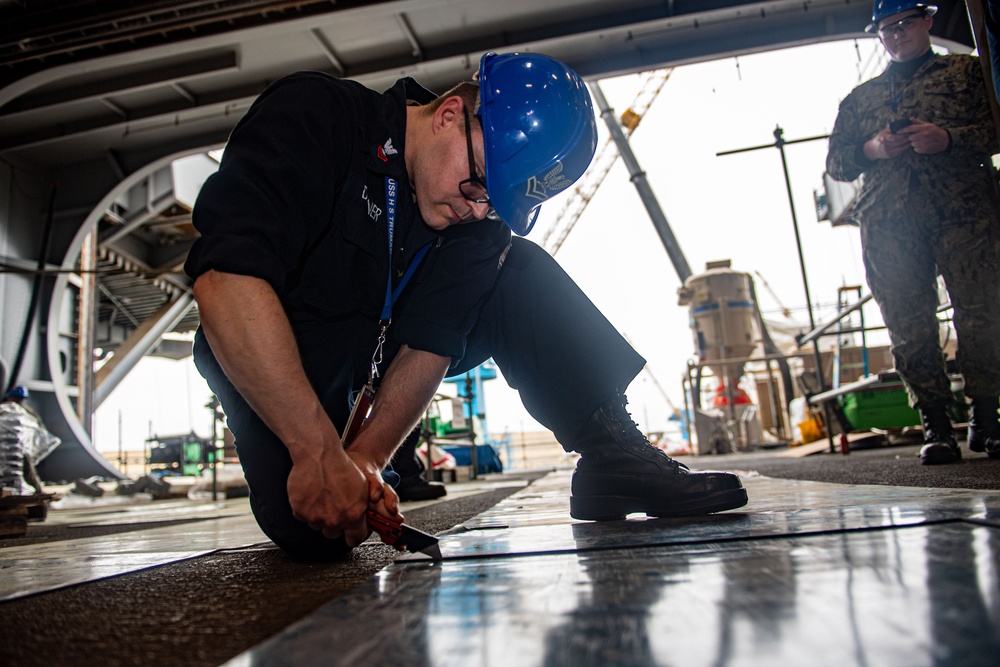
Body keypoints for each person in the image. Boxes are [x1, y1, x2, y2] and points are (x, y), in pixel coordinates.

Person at [185, 52, 748, 561]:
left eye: (496, 204)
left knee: (517, 270)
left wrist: (365, 460)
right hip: (277, 359)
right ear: (451, 113)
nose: (478, 210)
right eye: (479, 185)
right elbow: (225, 278)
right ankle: (348, 451)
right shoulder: (317, 117)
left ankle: (612, 455)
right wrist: (313, 449)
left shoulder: (478, 223)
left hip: (370, 368)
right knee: (316, 532)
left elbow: (433, 340)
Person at [826, 1, 1000, 465]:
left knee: (982, 312)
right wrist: (873, 147)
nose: (897, 34)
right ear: (879, 37)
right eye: (887, 29)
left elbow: (995, 129)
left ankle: (988, 418)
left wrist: (948, 139)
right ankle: (937, 426)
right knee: (909, 325)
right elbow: (837, 164)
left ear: (926, 20)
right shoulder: (861, 99)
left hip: (965, 214)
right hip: (889, 223)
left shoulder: (968, 73)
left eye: (905, 23)